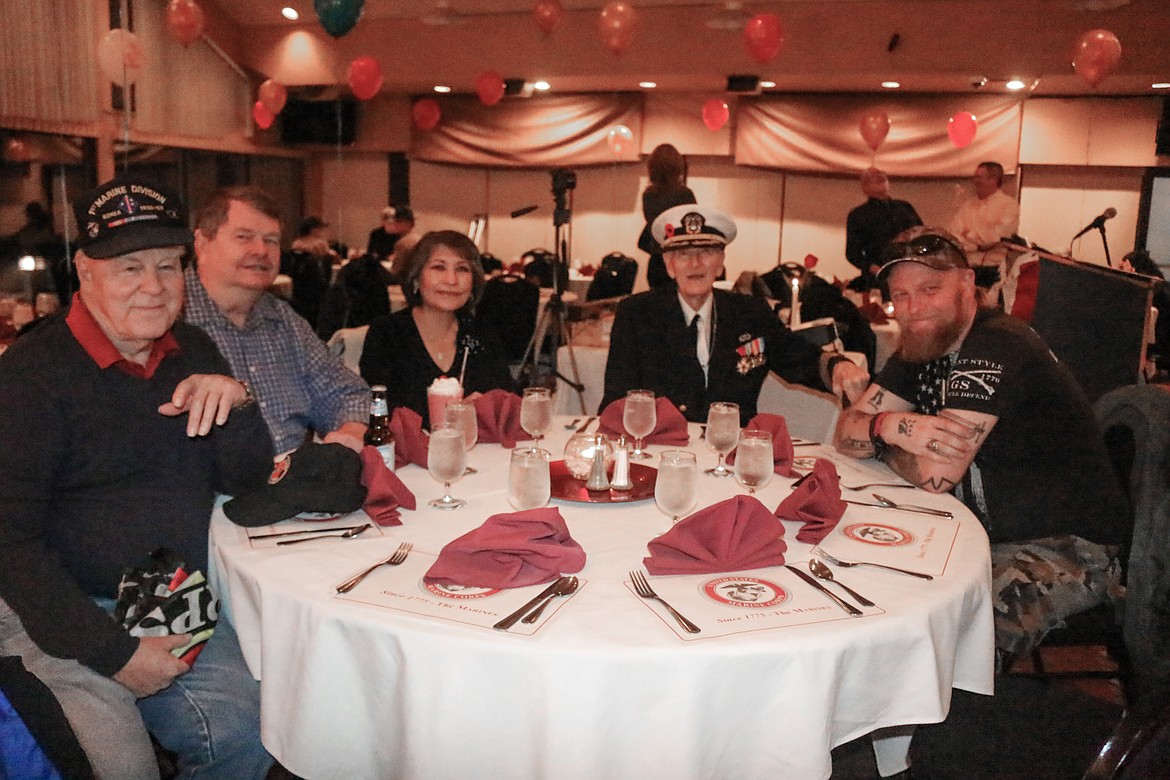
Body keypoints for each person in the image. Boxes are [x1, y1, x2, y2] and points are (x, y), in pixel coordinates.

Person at [0, 174, 276, 778]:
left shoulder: (194, 347)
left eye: (168, 266)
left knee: (249, 736)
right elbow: (8, 543)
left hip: (167, 591)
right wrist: (113, 653)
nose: (154, 288)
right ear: (85, 270)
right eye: (129, 268)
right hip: (56, 608)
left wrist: (238, 402)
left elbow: (249, 479)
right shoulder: (31, 377)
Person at [832, 226, 1129, 660]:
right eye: (902, 296)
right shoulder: (923, 344)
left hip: (1067, 549)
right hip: (983, 533)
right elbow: (847, 431)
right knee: (864, 578)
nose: (913, 309)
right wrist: (890, 427)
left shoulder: (994, 345)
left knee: (930, 633)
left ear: (968, 283)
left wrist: (882, 435)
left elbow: (936, 478)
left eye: (930, 288)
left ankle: (950, 725)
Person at [602, 204, 870, 425]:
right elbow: (615, 401)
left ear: (720, 263)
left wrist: (837, 365)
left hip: (734, 452)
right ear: (669, 266)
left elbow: (795, 354)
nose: (695, 264)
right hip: (662, 450)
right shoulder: (636, 314)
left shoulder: (749, 312)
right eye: (683, 254)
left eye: (706, 252)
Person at [184, 185, 370, 456]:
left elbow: (348, 392)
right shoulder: (167, 319)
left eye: (271, 240)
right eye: (244, 237)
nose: (261, 250)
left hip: (295, 486)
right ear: (202, 243)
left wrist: (349, 432)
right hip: (211, 493)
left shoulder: (283, 320)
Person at [360, 230, 514, 427]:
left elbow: (507, 402)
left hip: (479, 453)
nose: (451, 280)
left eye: (462, 269)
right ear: (416, 279)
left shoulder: (482, 333)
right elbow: (377, 409)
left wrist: (485, 407)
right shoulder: (387, 334)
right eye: (439, 267)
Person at [844, 167, 922, 292]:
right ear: (864, 188)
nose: (880, 180)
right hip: (878, 277)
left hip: (909, 271)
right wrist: (872, 268)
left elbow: (921, 235)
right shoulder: (858, 215)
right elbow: (852, 253)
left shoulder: (904, 207)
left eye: (883, 178)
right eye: (873, 179)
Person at [638, 144, 697, 290]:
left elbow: (654, 225)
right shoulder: (685, 194)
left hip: (657, 261)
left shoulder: (648, 196)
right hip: (679, 260)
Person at [948, 161, 1020, 254]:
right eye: (975, 177)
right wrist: (977, 245)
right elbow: (953, 234)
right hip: (970, 263)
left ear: (993, 180)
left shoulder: (1009, 205)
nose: (975, 182)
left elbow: (999, 237)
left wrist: (968, 235)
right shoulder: (968, 206)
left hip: (995, 264)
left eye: (979, 177)